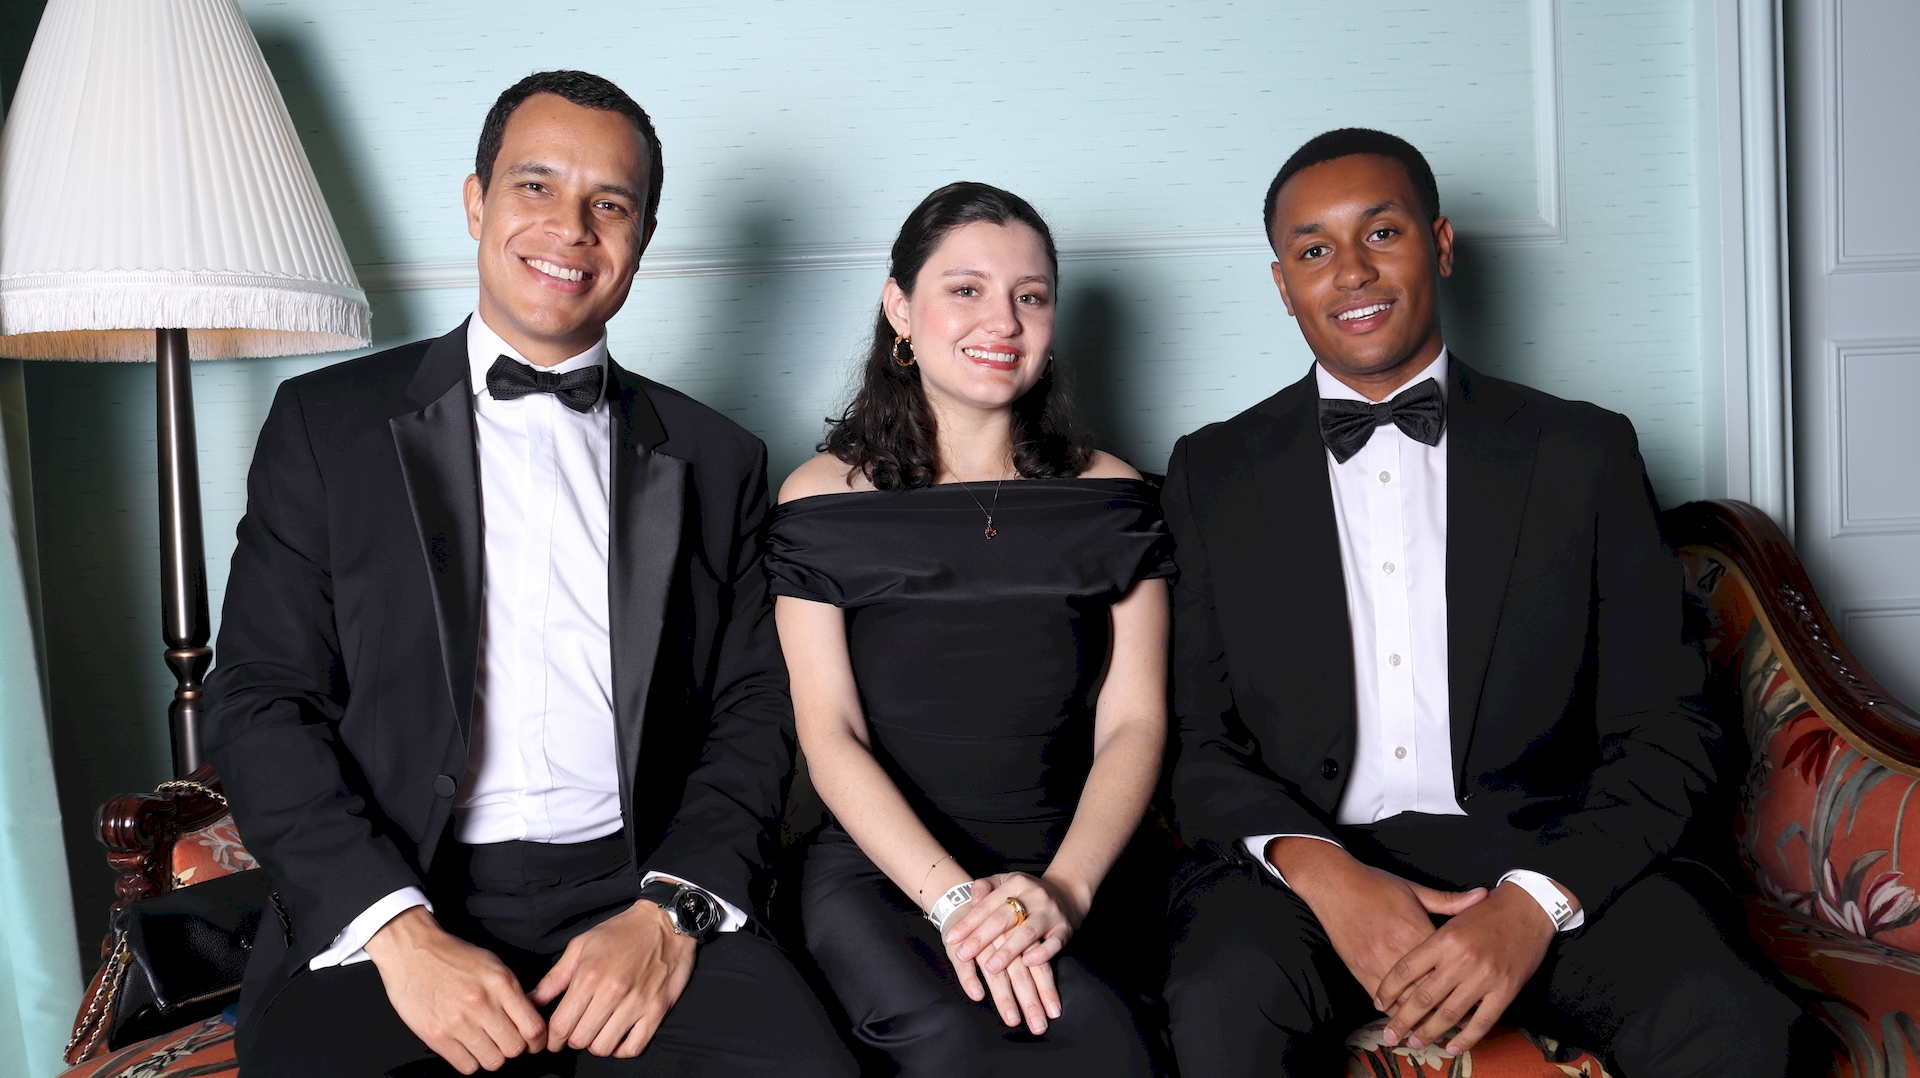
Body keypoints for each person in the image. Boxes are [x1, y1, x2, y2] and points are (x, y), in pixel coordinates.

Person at [203, 70, 856, 1077]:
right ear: (476, 202)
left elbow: (756, 708)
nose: (571, 229)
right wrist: (397, 931)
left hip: (638, 890)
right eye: (536, 186)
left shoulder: (719, 457)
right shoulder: (325, 426)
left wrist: (672, 910)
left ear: (642, 238)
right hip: (397, 897)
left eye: (611, 205)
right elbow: (258, 698)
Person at [1158, 128, 1818, 1077]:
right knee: (1219, 1010)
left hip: (1552, 854)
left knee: (1736, 1023)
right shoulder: (1214, 471)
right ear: (1282, 285)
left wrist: (1535, 902)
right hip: (1305, 877)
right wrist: (1325, 873)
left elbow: (1670, 725)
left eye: (1381, 233)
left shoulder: (1581, 452)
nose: (1351, 271)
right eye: (1313, 250)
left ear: (1441, 245)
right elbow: (1199, 738)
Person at [769, 182, 1174, 1076]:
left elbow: (1135, 721)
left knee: (1109, 1040)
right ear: (899, 309)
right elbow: (829, 734)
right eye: (966, 289)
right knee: (953, 1040)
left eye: (1030, 295)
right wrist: (957, 904)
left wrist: (1065, 890)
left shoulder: (1114, 499)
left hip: (1076, 864)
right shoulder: (820, 501)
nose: (1004, 321)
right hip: (885, 872)